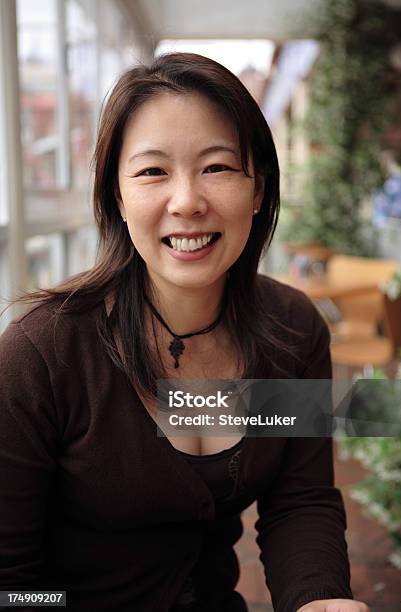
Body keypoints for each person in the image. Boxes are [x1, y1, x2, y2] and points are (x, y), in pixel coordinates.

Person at [0, 53, 369, 612]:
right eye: (152, 171)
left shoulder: (292, 331)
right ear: (117, 198)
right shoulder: (40, 354)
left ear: (259, 189)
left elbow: (300, 499)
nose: (187, 201)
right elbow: (12, 584)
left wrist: (319, 599)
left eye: (217, 167)